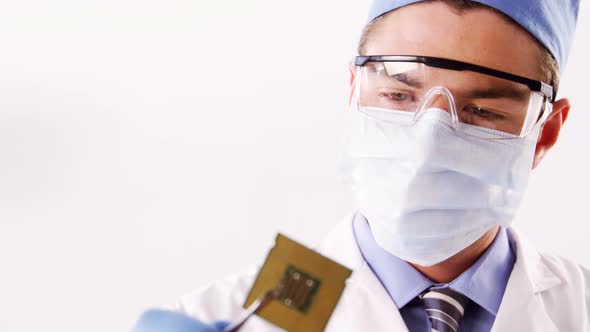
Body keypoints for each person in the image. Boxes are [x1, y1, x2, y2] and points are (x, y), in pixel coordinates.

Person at [134, 0, 588, 331]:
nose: (429, 143)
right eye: (397, 95)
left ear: (545, 133)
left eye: (483, 111)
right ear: (354, 91)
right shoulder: (226, 317)